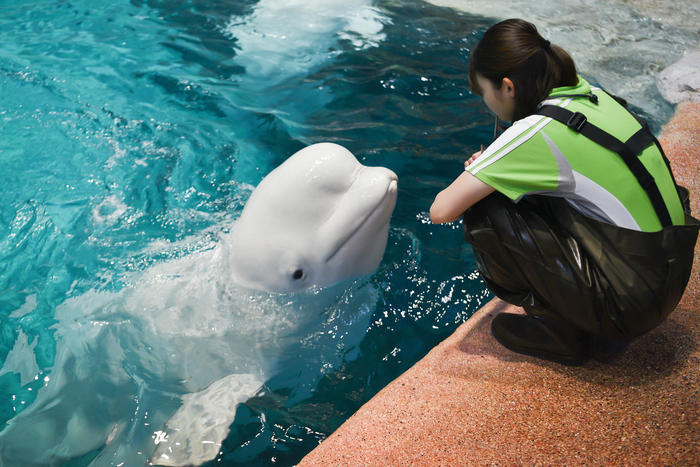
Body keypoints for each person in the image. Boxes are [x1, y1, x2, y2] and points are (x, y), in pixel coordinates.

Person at [430, 18, 699, 365]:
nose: (487, 104)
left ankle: (558, 334)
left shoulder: (535, 131)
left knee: (484, 211)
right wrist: (499, 168)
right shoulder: (592, 96)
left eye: (485, 93)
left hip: (629, 307)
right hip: (670, 276)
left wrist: (489, 172)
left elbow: (442, 210)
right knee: (514, 190)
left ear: (508, 87)